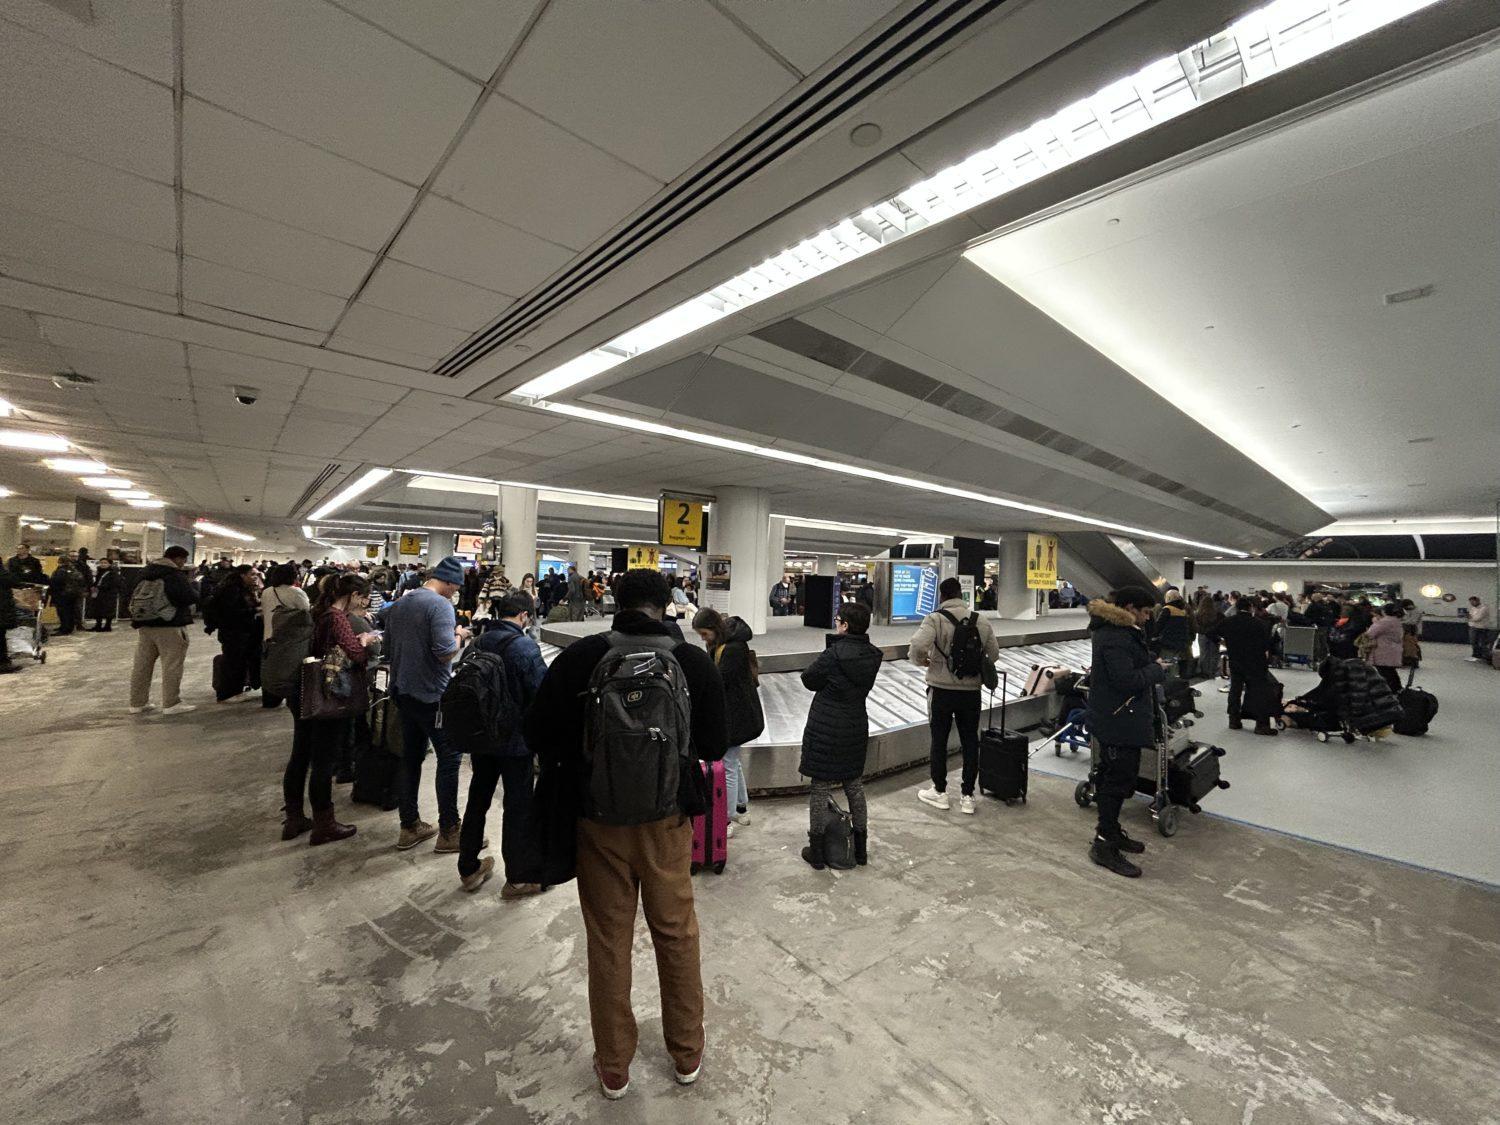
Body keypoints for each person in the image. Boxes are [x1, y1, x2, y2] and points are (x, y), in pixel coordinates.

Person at [524, 568, 727, 1100]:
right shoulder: (690, 661)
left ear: (616, 602)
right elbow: (714, 743)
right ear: (667, 606)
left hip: (598, 822)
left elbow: (537, 732)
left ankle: (614, 1065)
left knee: (609, 939)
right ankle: (687, 1052)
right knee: (676, 931)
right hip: (667, 822)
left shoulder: (581, 657)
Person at [460, 592, 548, 896]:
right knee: (518, 807)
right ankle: (519, 877)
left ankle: (468, 867)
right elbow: (541, 692)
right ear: (524, 616)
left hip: (481, 738)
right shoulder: (524, 647)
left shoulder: (479, 642)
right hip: (515, 741)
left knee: (478, 798)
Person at [280, 572, 376, 845]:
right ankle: (324, 822)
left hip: (306, 690)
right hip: (329, 694)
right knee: (323, 760)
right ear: (354, 595)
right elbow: (355, 655)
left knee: (300, 755)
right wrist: (365, 641)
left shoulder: (319, 612)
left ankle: (294, 816)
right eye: (363, 597)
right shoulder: (337, 618)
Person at [384, 555, 472, 852]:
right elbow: (445, 652)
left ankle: (409, 826)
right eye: (456, 586)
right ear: (448, 582)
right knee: (450, 758)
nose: (456, 591)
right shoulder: (440, 606)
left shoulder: (401, 602)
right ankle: (450, 831)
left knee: (411, 757)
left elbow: (388, 646)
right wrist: (460, 635)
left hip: (404, 692)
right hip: (433, 696)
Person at [1085, 588, 1167, 878]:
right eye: (1145, 612)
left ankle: (1110, 831)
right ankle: (1104, 843)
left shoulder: (1120, 632)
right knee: (1116, 780)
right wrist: (1156, 670)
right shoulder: (1115, 636)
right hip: (1117, 719)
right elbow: (1125, 679)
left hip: (1121, 716)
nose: (1147, 619)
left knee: (1119, 777)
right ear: (1130, 608)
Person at [798, 602, 881, 869]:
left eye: (838, 620)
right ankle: (860, 851)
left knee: (820, 787)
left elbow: (809, 678)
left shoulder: (834, 654)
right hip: (855, 725)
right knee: (854, 786)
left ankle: (818, 854)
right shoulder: (873, 655)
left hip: (825, 725)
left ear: (845, 625)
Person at [910, 576, 1000, 815]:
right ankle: (968, 796)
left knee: (939, 740)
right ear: (961, 595)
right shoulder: (980, 620)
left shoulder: (935, 619)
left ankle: (939, 792)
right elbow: (994, 653)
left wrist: (924, 661)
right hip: (971, 692)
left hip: (941, 689)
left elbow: (918, 646)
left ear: (941, 596)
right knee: (970, 741)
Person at [692, 608, 764, 835]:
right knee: (734, 761)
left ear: (714, 629)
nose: (703, 639)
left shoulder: (732, 649)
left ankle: (726, 818)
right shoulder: (724, 645)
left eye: (704, 634)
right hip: (739, 713)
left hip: (737, 715)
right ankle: (741, 809)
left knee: (729, 764)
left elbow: (718, 681)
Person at [128, 545, 200, 716]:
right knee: (172, 665)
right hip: (170, 626)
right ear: (178, 558)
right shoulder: (174, 575)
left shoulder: (145, 572)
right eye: (183, 560)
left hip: (144, 624)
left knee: (142, 665)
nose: (183, 564)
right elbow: (187, 597)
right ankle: (171, 703)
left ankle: (137, 703)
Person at [1216, 597, 1278, 735]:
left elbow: (1211, 633)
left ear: (1237, 608)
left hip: (1236, 660)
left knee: (1235, 690)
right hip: (1256, 662)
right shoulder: (1260, 624)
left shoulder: (1228, 622)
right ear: (1251, 608)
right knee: (1259, 692)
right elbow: (1268, 644)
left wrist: (1225, 643)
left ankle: (1234, 719)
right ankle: (1261, 724)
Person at [207, 565, 263, 703]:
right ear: (242, 575)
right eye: (252, 574)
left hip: (240, 631)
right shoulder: (232, 590)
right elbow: (230, 613)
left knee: (238, 661)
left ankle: (234, 690)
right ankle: (228, 693)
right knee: (233, 662)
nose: (255, 577)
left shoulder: (241, 588)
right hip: (234, 631)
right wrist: (255, 610)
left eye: (256, 574)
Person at [1365, 603, 1404, 694]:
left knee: (1385, 671)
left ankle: (1390, 690)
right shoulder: (1396, 620)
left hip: (1383, 650)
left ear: (1385, 611)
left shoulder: (1385, 621)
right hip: (1392, 649)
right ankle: (1397, 689)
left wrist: (1375, 621)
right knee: (1390, 671)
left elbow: (1370, 633)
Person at [47, 554, 84, 636]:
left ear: (60, 561)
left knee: (63, 613)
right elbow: (81, 581)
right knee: (70, 612)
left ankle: (65, 629)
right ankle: (68, 627)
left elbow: (56, 582)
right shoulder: (73, 570)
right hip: (72, 594)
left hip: (62, 594)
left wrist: (49, 585)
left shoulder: (61, 570)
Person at [87, 558, 122, 631]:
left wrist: (99, 587)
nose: (103, 564)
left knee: (108, 610)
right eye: (101, 562)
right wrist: (93, 586)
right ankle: (98, 625)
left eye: (105, 563)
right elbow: (97, 581)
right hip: (99, 594)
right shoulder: (99, 571)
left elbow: (114, 584)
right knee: (97, 610)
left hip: (109, 595)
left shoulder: (113, 573)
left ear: (109, 564)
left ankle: (107, 626)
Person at [1465, 596, 1493, 662]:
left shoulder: (1484, 608)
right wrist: (1470, 617)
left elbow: (1477, 618)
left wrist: (1470, 617)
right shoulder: (1472, 608)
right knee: (1473, 642)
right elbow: (1470, 616)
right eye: (1470, 602)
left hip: (1481, 628)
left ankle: (1488, 657)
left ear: (1477, 601)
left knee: (1482, 643)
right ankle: (1476, 656)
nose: (1471, 603)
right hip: (1472, 627)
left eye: (1472, 602)